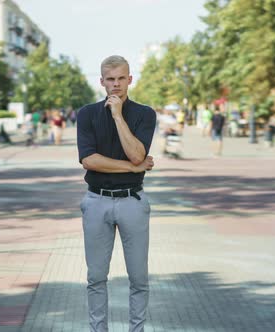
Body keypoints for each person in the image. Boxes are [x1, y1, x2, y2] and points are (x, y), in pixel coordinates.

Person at [77, 55, 156, 332]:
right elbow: (89, 160)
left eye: (121, 78)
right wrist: (134, 168)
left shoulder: (145, 114)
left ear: (130, 79)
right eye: (110, 79)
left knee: (139, 279)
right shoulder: (86, 114)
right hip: (96, 201)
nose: (116, 84)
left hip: (133, 202)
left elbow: (138, 153)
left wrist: (118, 115)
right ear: (101, 82)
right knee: (96, 278)